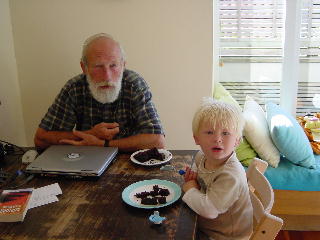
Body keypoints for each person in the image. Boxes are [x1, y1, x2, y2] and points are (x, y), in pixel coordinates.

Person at [34, 33, 165, 152]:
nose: (107, 76)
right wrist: (91, 133)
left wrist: (103, 144)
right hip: (84, 159)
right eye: (98, 66)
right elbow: (41, 139)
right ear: (84, 68)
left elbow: (157, 141)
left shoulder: (135, 85)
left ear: (123, 66)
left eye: (113, 66)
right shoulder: (74, 88)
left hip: (130, 160)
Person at [182, 98, 253, 240]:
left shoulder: (230, 175)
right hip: (207, 226)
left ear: (237, 141)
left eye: (225, 133)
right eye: (209, 132)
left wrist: (190, 188)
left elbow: (210, 210)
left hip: (224, 236)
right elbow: (198, 167)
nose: (217, 139)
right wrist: (195, 177)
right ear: (197, 139)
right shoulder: (202, 157)